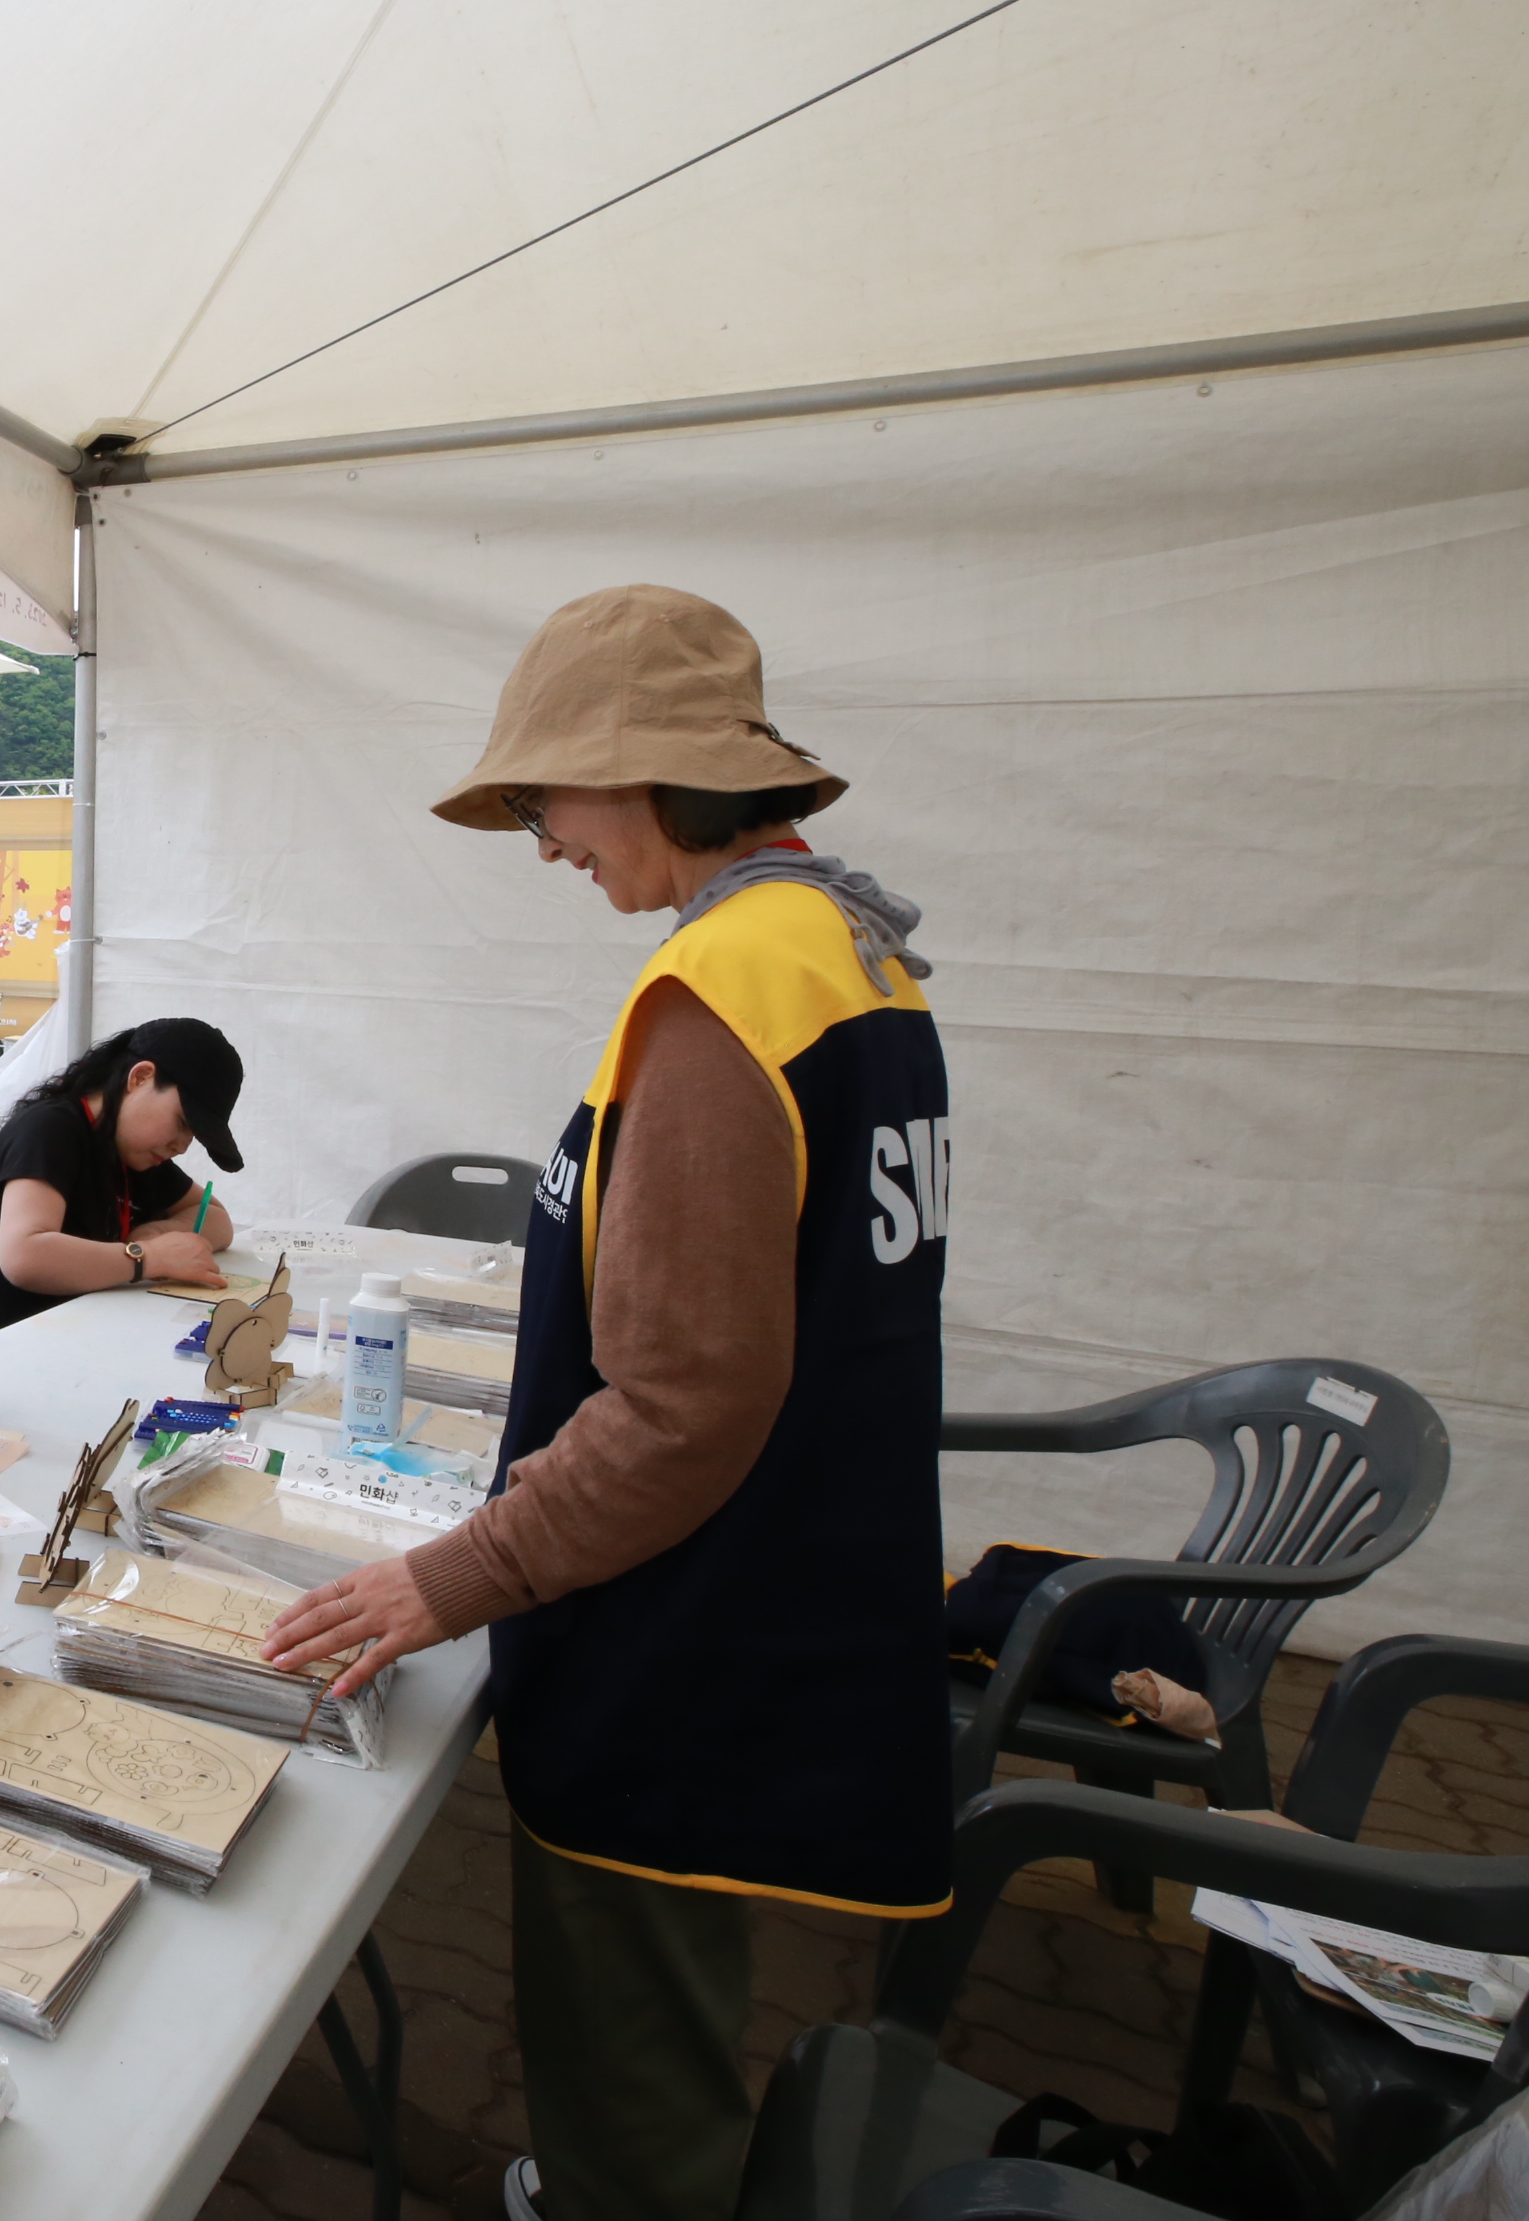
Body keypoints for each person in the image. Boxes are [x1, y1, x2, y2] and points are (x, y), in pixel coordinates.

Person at [260, 585, 949, 2221]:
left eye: (544, 800)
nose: (542, 842)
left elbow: (681, 1404)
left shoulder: (720, 993)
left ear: (641, 771)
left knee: (625, 2037)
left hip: (677, 1634)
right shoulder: (845, 953)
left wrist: (456, 1573)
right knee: (667, 2008)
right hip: (772, 1592)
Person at [0, 1018, 241, 1349]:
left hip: (72, 1341)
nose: (181, 1146)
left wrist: (158, 1233)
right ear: (140, 1078)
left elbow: (216, 1219)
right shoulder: (49, 1129)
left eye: (193, 1134)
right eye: (182, 1122)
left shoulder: (133, 1150)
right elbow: (24, 1256)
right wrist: (147, 1258)